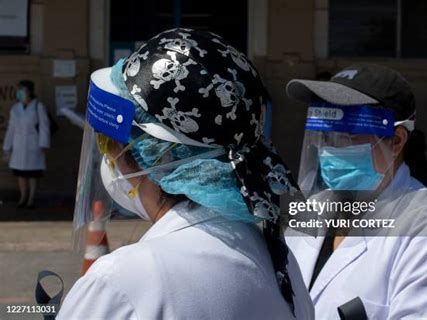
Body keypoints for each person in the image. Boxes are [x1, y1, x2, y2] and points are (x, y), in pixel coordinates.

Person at [57, 29, 314, 319]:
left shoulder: (122, 282)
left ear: (160, 154)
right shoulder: (279, 260)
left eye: (109, 143)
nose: (108, 159)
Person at [285, 64, 427, 319]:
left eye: (348, 135)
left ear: (396, 140)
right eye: (326, 135)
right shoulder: (312, 209)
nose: (330, 149)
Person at [2, 80, 50, 208]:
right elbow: (11, 128)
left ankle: (31, 198)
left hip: (33, 144)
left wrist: (43, 144)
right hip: (18, 144)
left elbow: (44, 126)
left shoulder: (38, 106)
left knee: (32, 173)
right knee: (20, 173)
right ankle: (23, 196)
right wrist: (7, 147)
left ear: (29, 91)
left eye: (21, 90)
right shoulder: (15, 108)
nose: (19, 93)